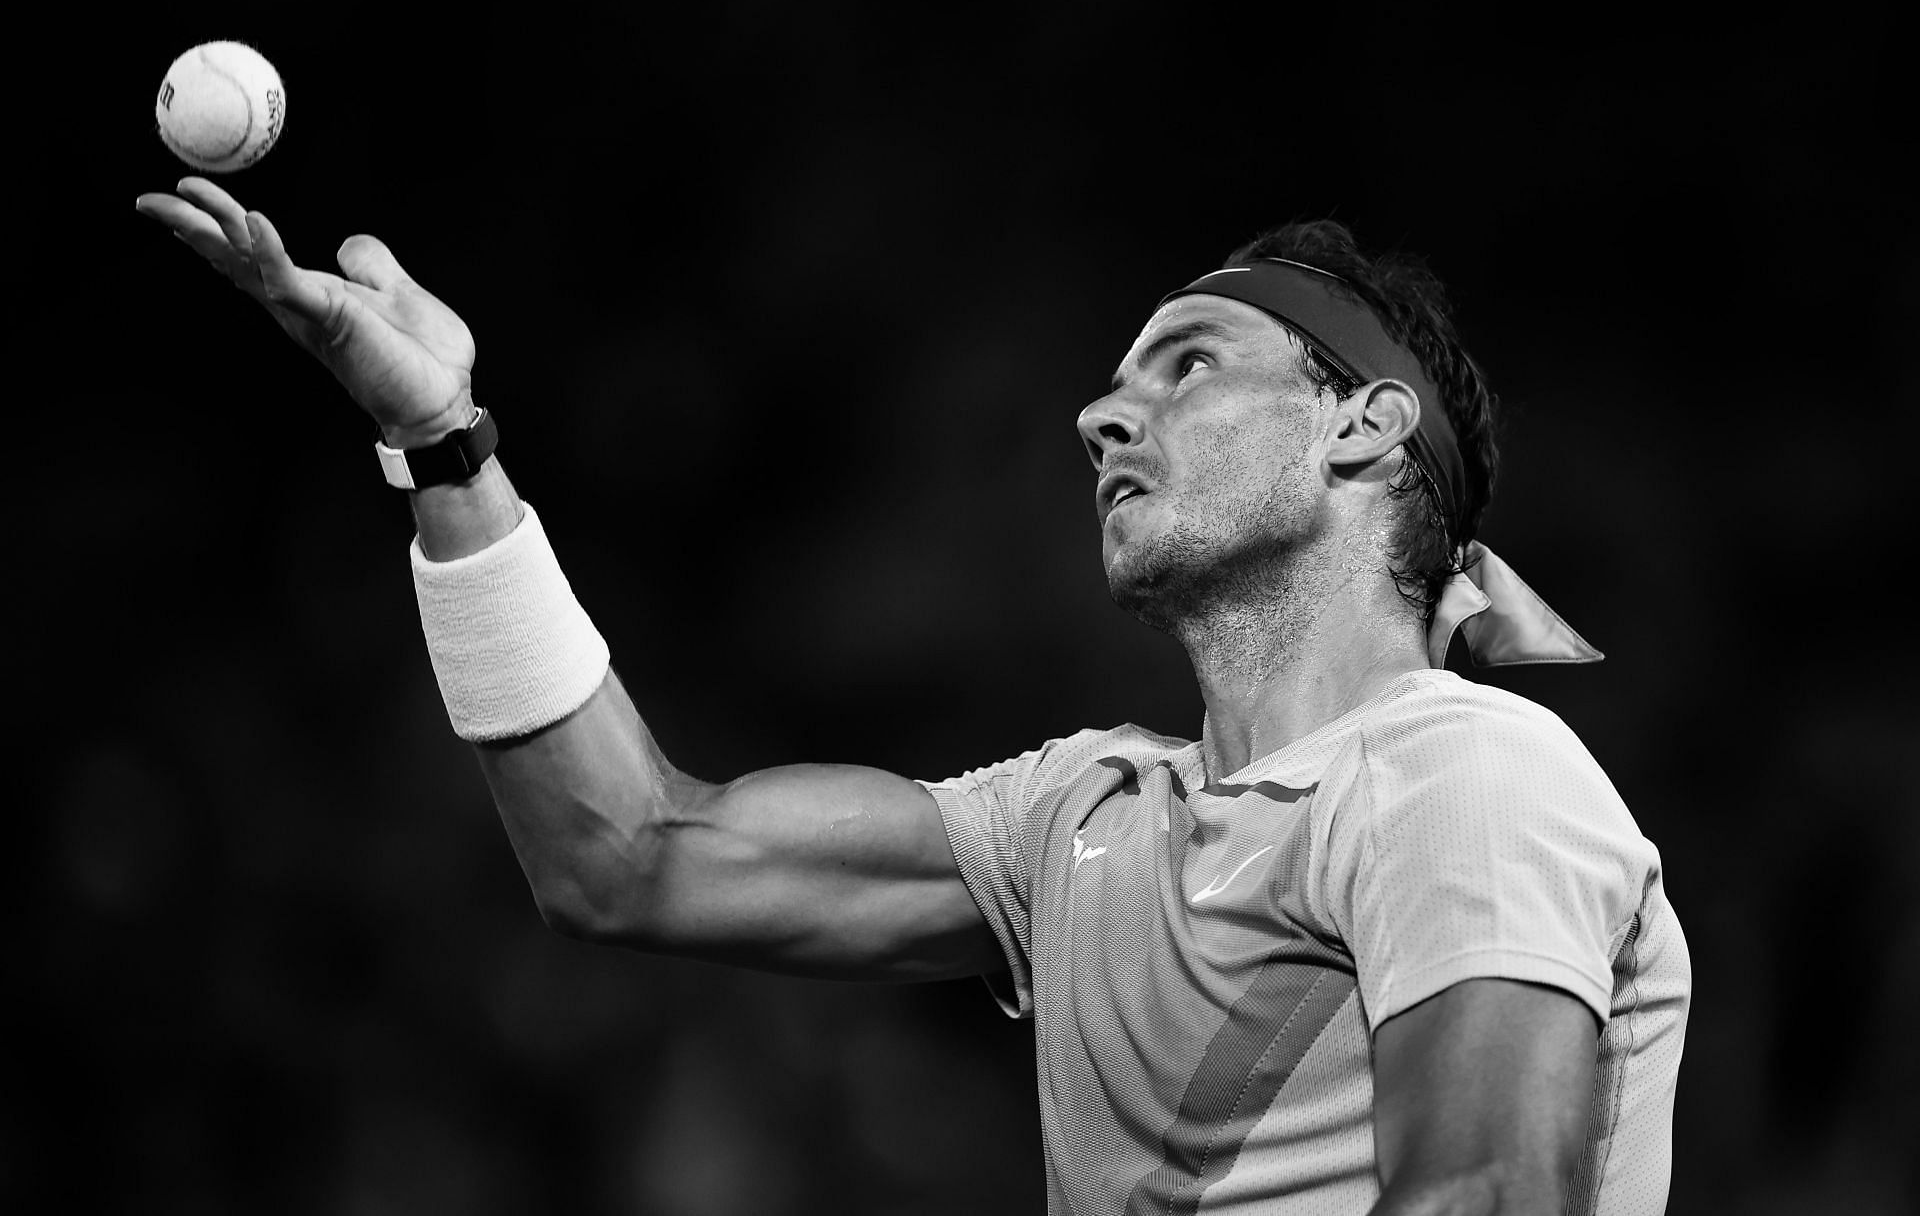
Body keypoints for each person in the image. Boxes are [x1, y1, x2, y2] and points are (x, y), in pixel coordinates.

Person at [136, 176, 1690, 1216]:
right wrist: (449, 452)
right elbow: (627, 854)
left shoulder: (1469, 775)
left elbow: (1484, 1199)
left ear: (1360, 430)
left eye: (1187, 368)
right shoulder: (1083, 816)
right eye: (1117, 379)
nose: (1104, 412)